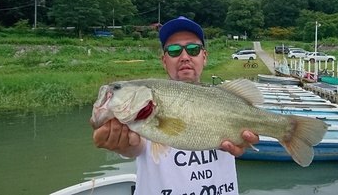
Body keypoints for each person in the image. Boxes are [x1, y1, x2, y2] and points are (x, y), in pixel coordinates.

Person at [92, 16, 259, 195]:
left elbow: (245, 139)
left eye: (193, 49)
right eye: (174, 50)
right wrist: (122, 144)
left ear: (204, 57)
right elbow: (135, 146)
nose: (185, 57)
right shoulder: (140, 116)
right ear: (164, 61)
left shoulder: (225, 97)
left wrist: (247, 139)